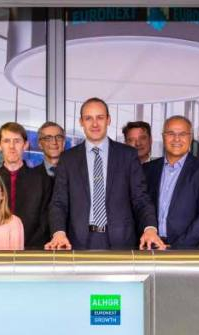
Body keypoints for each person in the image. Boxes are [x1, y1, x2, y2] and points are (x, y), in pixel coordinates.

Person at [46, 98, 164, 251]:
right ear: (81, 122)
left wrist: (150, 229)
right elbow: (59, 202)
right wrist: (58, 233)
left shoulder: (127, 155)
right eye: (89, 118)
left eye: (100, 117)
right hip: (78, 242)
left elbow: (141, 198)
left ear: (108, 120)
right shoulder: (68, 159)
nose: (94, 124)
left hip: (121, 242)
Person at [143, 116, 199, 249]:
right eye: (171, 133)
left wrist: (178, 248)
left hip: (186, 250)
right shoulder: (148, 169)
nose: (176, 139)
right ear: (163, 137)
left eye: (182, 134)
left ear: (190, 137)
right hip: (151, 246)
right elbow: (142, 207)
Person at [0, 122, 52, 249]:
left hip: (32, 251)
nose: (11, 146)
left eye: (17, 141)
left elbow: (46, 222)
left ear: (25, 145)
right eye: (6, 141)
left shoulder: (42, 180)